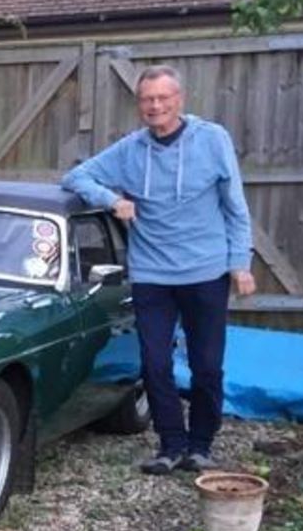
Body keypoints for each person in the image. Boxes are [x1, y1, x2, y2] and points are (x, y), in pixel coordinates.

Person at [63, 66, 255, 474]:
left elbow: (235, 207)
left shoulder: (212, 140)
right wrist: (110, 198)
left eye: (163, 98)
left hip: (206, 271)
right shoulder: (131, 150)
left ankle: (200, 445)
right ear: (140, 106)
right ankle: (170, 445)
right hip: (152, 273)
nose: (155, 106)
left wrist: (240, 263)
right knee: (153, 363)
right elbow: (76, 176)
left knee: (206, 365)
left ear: (179, 100)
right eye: (147, 100)